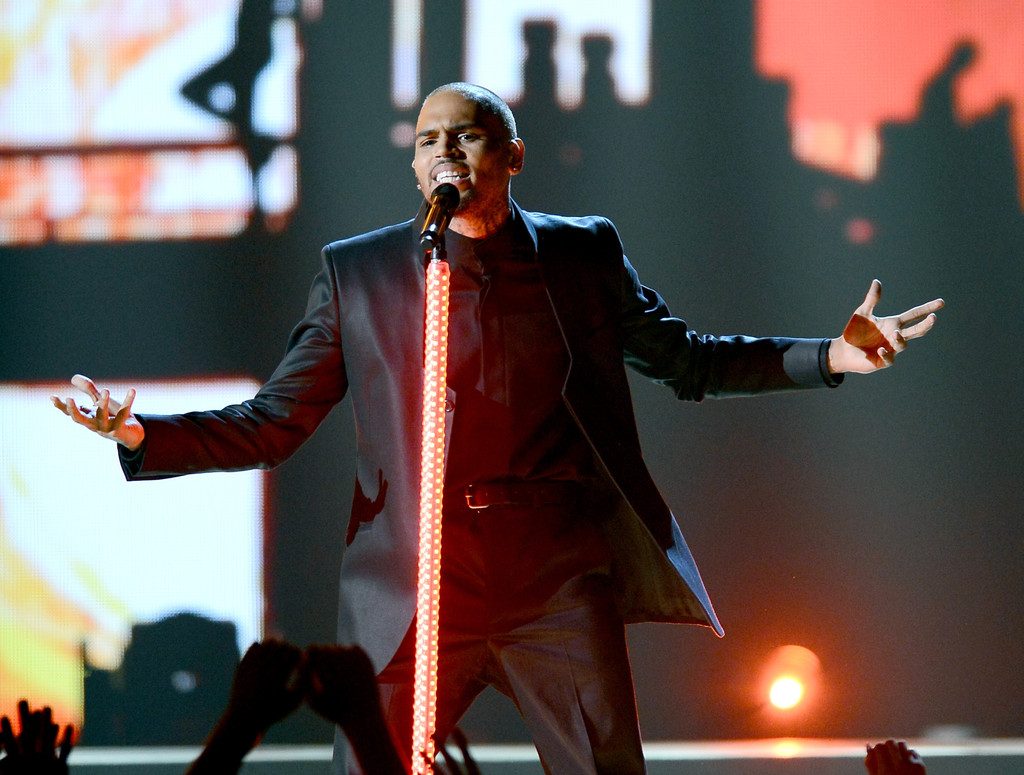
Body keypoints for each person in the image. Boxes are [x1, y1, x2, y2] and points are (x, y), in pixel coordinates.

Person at [51, 82, 943, 774]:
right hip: (414, 581)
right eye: (428, 139)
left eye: (467, 134)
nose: (445, 150)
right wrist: (141, 435)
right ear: (414, 167)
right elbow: (275, 422)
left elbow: (688, 361)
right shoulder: (362, 273)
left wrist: (831, 354)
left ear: (512, 156)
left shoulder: (581, 253)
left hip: (554, 578)